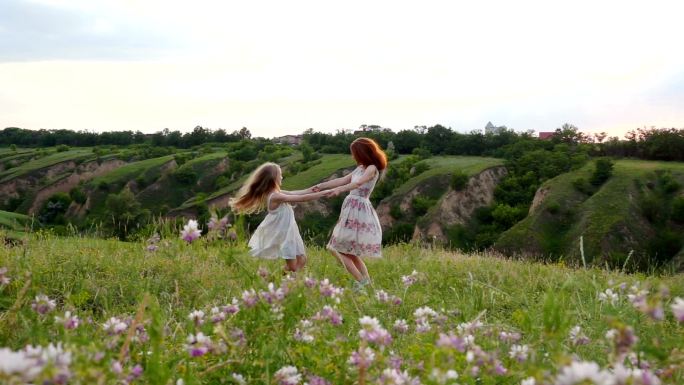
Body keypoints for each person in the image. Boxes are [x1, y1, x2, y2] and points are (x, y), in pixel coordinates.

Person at [313, 137, 388, 291]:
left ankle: (361, 282)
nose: (353, 156)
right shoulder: (360, 168)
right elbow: (342, 180)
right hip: (351, 208)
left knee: (339, 249)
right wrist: (321, 185)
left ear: (362, 153)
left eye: (355, 153)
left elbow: (358, 183)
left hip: (358, 208)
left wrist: (340, 190)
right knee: (350, 251)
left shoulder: (371, 168)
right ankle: (367, 283)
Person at [230, 162, 329, 272]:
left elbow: (295, 193)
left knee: (301, 260)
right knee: (295, 265)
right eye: (280, 175)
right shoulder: (276, 196)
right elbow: (301, 198)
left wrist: (312, 189)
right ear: (273, 178)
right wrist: (324, 193)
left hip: (289, 232)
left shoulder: (276, 193)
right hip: (284, 234)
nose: (282, 177)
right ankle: (273, 279)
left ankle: (277, 279)